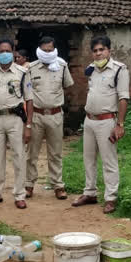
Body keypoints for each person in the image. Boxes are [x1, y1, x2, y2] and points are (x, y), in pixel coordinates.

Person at [71, 35, 130, 214]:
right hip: (89, 120)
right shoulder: (91, 70)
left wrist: (119, 124)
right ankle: (90, 193)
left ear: (109, 50)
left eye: (101, 49)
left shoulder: (119, 70)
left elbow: (123, 98)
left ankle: (111, 197)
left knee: (108, 161)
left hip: (106, 121)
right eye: (95, 51)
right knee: (88, 159)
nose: (98, 53)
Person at [0, 37, 33, 210]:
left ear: (13, 52)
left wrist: (29, 126)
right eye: (1, 51)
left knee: (18, 156)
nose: (4, 54)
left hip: (15, 119)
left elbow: (30, 100)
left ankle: (19, 195)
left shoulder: (22, 72)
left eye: (7, 51)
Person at [24, 35, 74, 201]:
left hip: (55, 115)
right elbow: (26, 93)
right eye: (44, 50)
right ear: (39, 50)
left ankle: (58, 186)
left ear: (54, 49)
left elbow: (67, 86)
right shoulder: (31, 68)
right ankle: (29, 185)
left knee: (55, 152)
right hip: (36, 115)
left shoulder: (61, 65)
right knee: (32, 153)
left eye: (50, 50)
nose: (47, 53)